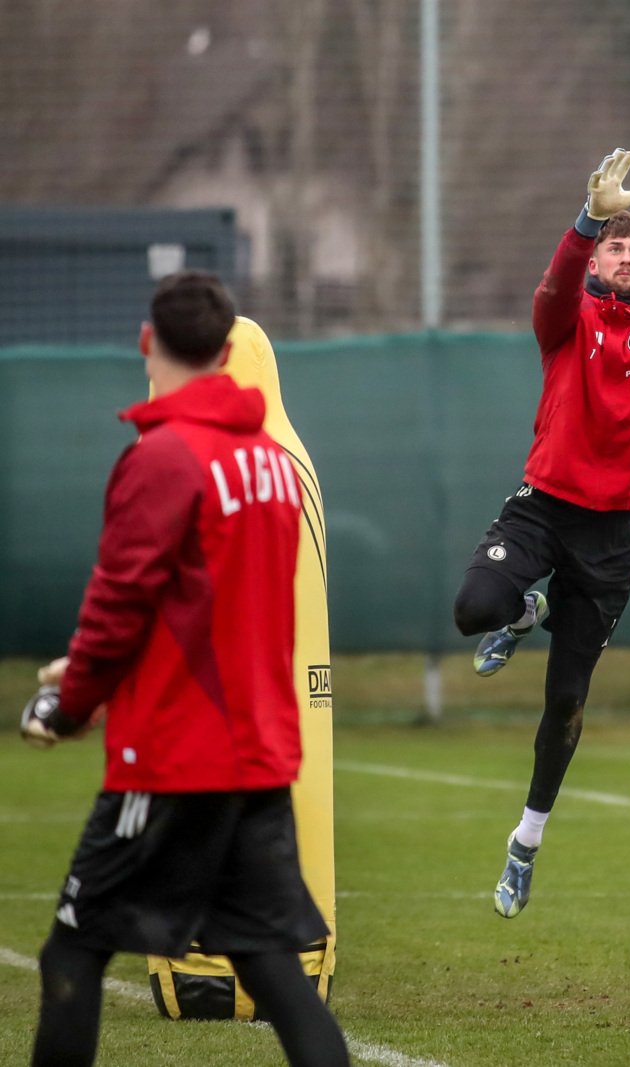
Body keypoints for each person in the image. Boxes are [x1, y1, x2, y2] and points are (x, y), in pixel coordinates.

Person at [20, 271, 350, 1067]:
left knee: (70, 953)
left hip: (173, 759)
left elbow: (117, 606)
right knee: (274, 969)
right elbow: (221, 609)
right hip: (259, 758)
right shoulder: (275, 464)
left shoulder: (162, 457)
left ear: (148, 342)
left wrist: (70, 702)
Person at [452, 148, 630, 919]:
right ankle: (523, 612)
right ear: (599, 263)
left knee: (566, 700)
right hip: (543, 508)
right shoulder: (566, 321)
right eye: (617, 246)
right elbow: (549, 289)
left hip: (611, 540)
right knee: (474, 606)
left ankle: (525, 842)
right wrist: (584, 221)